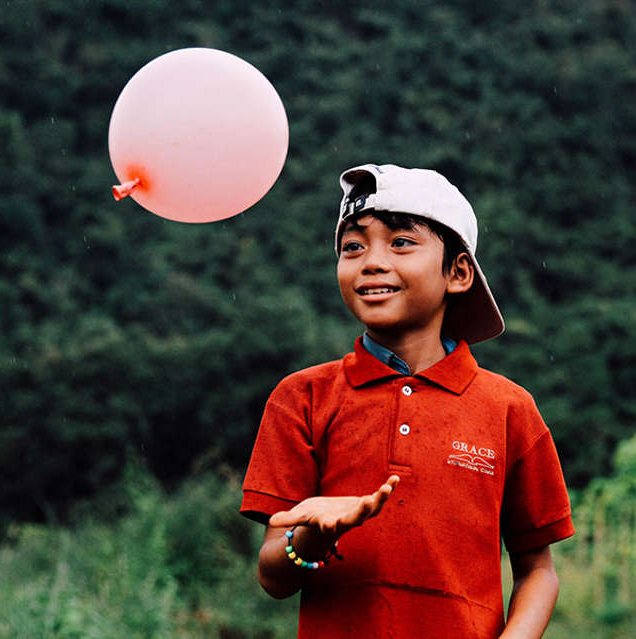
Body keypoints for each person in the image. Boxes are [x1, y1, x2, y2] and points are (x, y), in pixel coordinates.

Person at [240, 163, 574, 638]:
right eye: (353, 246)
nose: (371, 261)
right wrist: (314, 535)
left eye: (400, 242)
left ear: (458, 272)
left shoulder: (509, 408)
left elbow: (538, 571)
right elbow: (273, 576)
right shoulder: (302, 397)